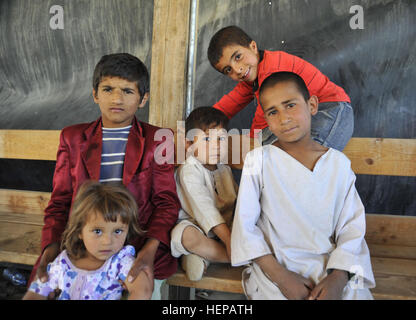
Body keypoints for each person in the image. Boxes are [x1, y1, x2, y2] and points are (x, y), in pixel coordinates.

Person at [28, 53, 180, 300]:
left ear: (143, 99)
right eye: (108, 89)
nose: (117, 98)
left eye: (128, 91)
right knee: (45, 285)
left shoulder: (159, 139)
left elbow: (166, 203)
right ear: (95, 94)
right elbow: (60, 202)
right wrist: (49, 251)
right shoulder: (73, 138)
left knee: (139, 287)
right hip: (83, 240)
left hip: (135, 243)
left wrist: (148, 254)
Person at [231, 72, 375, 300]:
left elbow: (351, 228)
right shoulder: (258, 161)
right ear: (266, 120)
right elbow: (245, 228)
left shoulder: (338, 164)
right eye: (273, 112)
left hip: (330, 265)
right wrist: (281, 276)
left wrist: (338, 277)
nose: (284, 118)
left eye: (290, 105)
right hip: (276, 267)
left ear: (312, 105)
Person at [208, 25, 354, 150]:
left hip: (331, 110)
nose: (237, 69)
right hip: (305, 118)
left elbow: (262, 118)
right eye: (228, 70)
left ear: (253, 47)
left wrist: (252, 146)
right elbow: (230, 103)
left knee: (304, 158)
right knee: (275, 152)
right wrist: (202, 123)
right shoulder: (251, 75)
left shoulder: (272, 69)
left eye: (238, 57)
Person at [23, 181, 148, 300]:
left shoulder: (120, 262)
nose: (107, 241)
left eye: (117, 231)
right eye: (97, 231)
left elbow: (142, 290)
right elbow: (36, 291)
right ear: (79, 232)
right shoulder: (64, 261)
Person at [170, 107, 238, 281]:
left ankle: (204, 258)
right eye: (207, 139)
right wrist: (230, 241)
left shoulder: (224, 169)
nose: (216, 146)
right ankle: (236, 257)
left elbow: (237, 199)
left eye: (221, 138)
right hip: (197, 226)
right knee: (186, 235)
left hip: (227, 227)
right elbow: (205, 208)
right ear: (189, 144)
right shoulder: (189, 170)